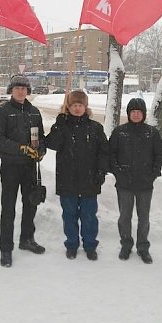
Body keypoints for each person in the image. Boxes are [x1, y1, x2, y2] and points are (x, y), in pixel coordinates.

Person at [0, 74, 46, 268]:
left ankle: (26, 239)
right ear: (11, 90)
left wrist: (41, 150)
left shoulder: (34, 112)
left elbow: (41, 137)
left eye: (24, 88)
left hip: (30, 166)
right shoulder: (1, 111)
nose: (21, 91)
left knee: (31, 204)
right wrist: (20, 148)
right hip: (10, 166)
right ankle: (6, 248)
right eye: (17, 87)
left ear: (28, 91)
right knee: (8, 207)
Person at [46, 90, 109, 261]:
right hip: (67, 180)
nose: (77, 108)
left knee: (89, 217)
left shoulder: (95, 128)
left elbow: (104, 152)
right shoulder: (62, 126)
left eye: (80, 105)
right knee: (69, 216)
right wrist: (58, 124)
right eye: (74, 105)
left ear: (85, 107)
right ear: (69, 107)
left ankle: (90, 245)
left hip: (90, 180)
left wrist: (101, 171)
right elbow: (51, 144)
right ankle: (72, 245)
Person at [109, 98, 162, 264]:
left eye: (138, 112)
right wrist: (118, 172)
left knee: (144, 217)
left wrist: (153, 174)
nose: (135, 114)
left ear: (143, 114)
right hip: (124, 184)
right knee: (124, 216)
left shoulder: (151, 133)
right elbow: (111, 155)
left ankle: (143, 247)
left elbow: (159, 156)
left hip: (145, 184)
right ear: (128, 114)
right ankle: (126, 244)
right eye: (132, 111)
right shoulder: (119, 132)